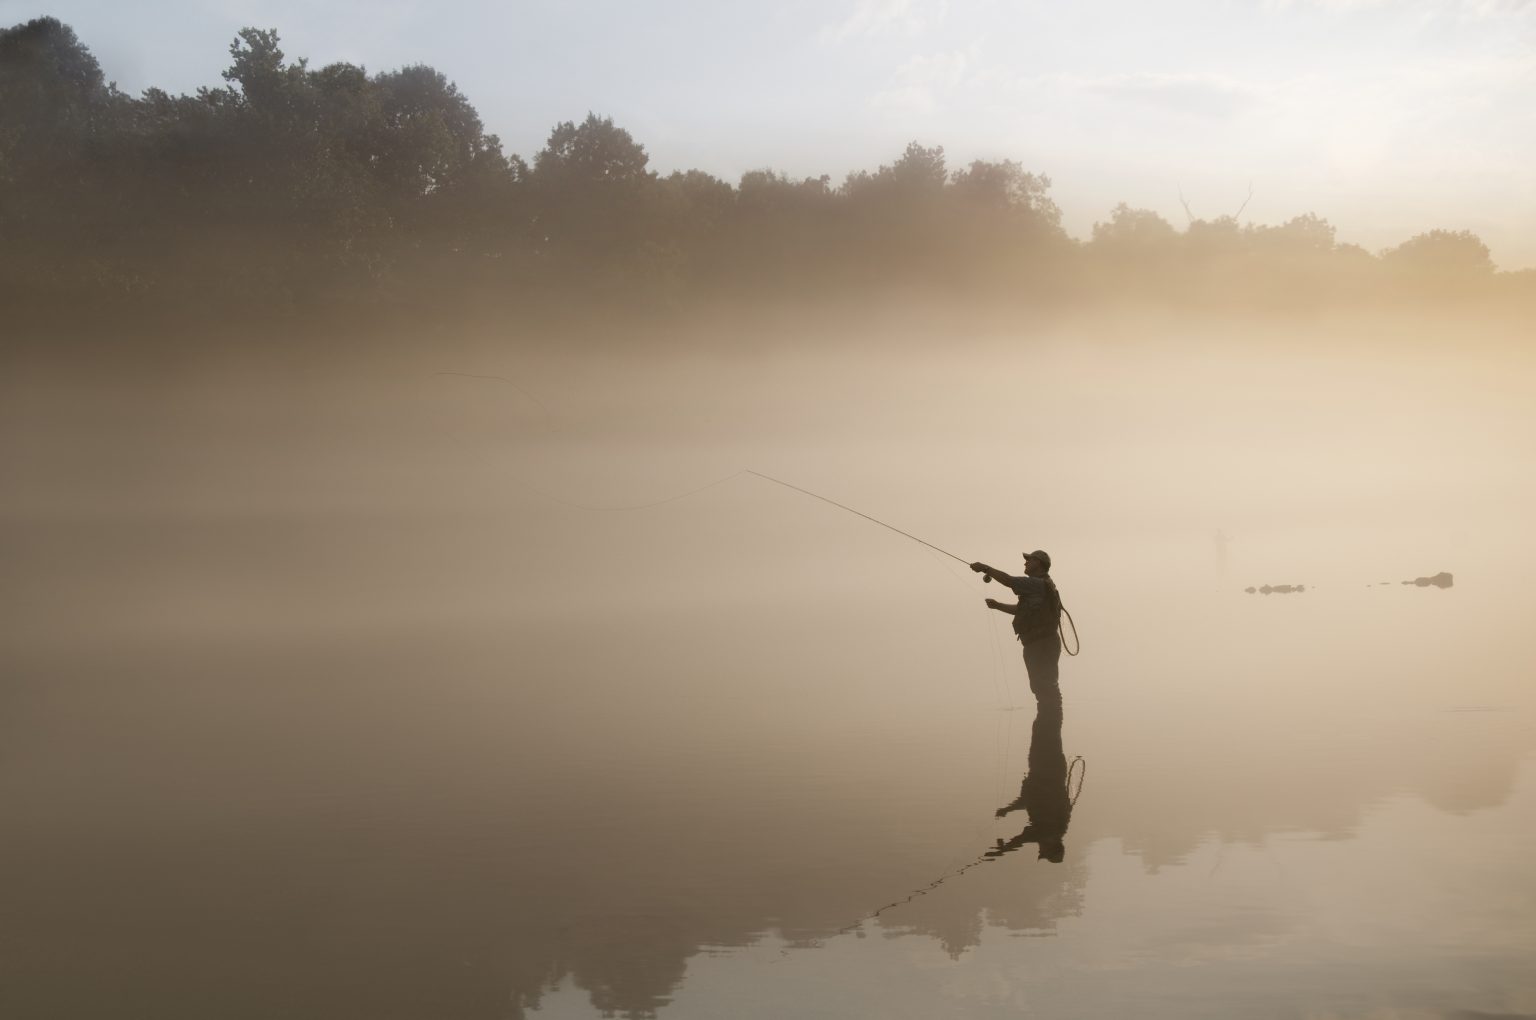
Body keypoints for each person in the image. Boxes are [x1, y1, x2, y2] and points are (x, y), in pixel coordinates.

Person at [971, 550, 1063, 709]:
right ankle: (1048, 724)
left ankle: (1050, 723)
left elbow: (1008, 580)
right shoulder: (1041, 585)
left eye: (1030, 560)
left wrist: (985, 568)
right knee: (1040, 686)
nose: (1025, 563)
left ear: (1039, 564)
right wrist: (998, 606)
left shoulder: (1036, 583)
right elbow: (1022, 610)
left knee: (1044, 685)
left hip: (1042, 644)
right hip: (1040, 643)